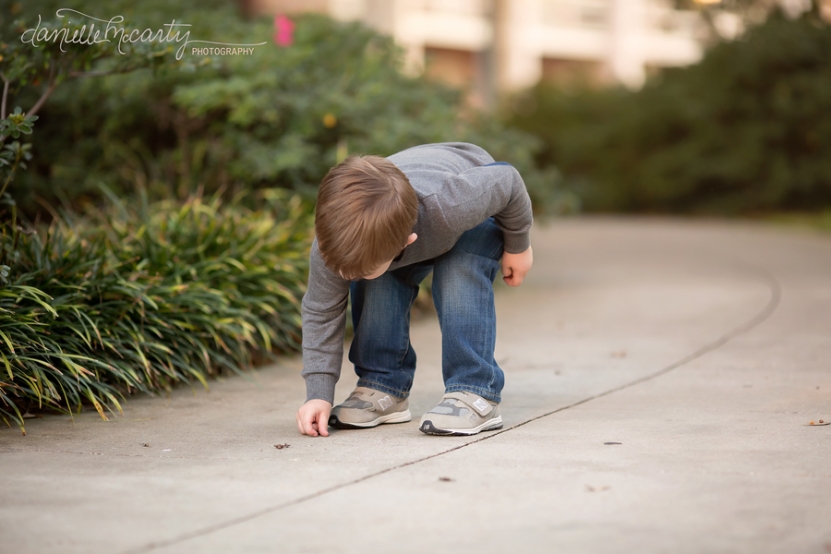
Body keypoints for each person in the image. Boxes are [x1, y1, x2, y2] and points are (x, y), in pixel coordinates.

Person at [295, 142, 533, 437]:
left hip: (474, 202)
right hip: (402, 216)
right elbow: (321, 311)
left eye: (357, 270)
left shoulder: (452, 205)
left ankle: (474, 390)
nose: (345, 275)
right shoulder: (336, 242)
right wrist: (318, 393)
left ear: (406, 242)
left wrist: (518, 245)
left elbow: (506, 179)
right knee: (378, 279)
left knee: (458, 270)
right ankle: (384, 385)